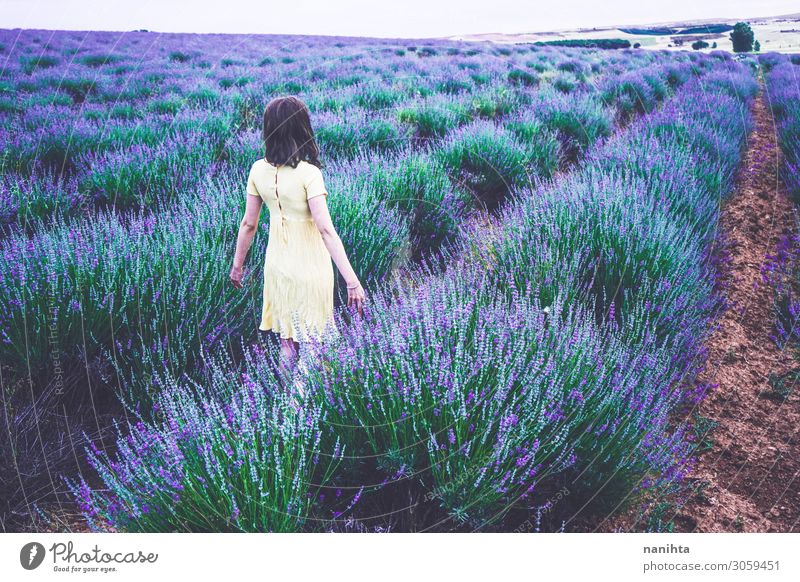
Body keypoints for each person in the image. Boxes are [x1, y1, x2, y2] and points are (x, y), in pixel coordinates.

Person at [229, 96, 365, 386]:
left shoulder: (257, 170)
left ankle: (284, 405)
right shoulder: (309, 174)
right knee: (314, 346)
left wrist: (237, 266)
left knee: (288, 342)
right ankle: (296, 418)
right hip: (310, 271)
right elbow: (326, 230)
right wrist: (352, 281)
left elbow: (248, 224)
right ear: (302, 128)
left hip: (277, 268)